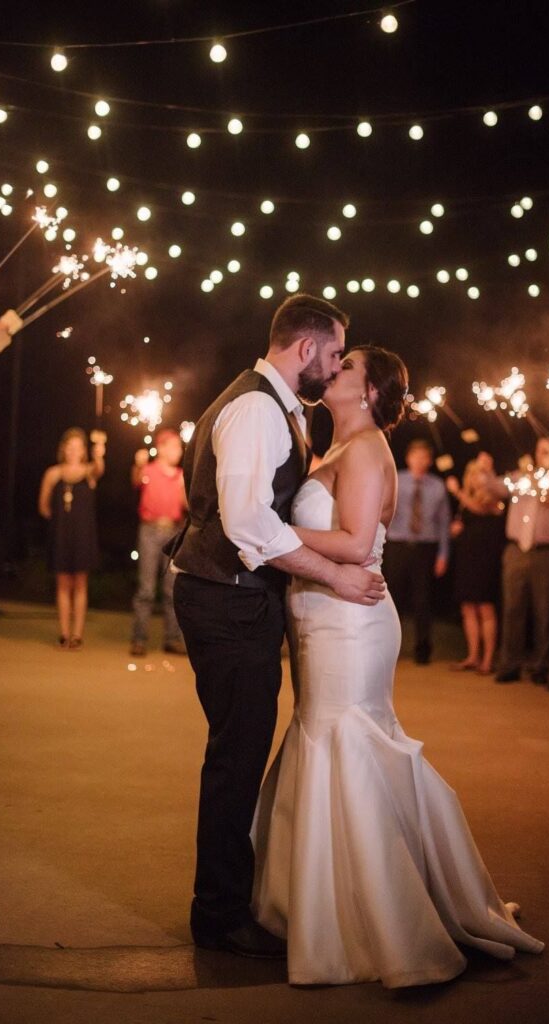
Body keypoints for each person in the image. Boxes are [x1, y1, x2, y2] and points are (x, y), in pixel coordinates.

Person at [252, 346, 544, 988]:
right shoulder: (333, 446)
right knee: (322, 737)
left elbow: (357, 545)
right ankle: (330, 901)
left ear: (368, 389)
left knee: (349, 744)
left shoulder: (365, 450)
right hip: (320, 616)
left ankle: (384, 918)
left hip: (351, 620)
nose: (333, 367)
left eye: (347, 364)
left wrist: (266, 535)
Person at [170, 294, 386, 960]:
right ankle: (219, 914)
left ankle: (232, 899)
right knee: (237, 756)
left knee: (240, 750)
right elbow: (246, 522)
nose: (336, 363)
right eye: (334, 351)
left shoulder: (276, 408)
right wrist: (334, 574)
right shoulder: (258, 409)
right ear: (305, 349)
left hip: (235, 599)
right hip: (228, 601)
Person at [492, 438, 549, 685]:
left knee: (544, 610)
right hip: (516, 550)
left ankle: (540, 664)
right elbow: (497, 488)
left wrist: (544, 482)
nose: (544, 454)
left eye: (548, 451)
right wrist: (486, 470)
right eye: (541, 450)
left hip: (544, 552)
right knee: (512, 608)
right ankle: (510, 663)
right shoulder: (519, 477)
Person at [383, 439, 451, 663]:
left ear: (429, 461)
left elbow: (444, 523)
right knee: (392, 597)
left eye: (424, 457)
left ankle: (423, 649)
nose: (420, 461)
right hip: (397, 544)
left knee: (423, 599)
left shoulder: (437, 486)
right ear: (408, 458)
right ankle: (387, 646)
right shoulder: (396, 480)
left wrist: (443, 554)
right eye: (416, 456)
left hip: (425, 547)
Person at [38, 428, 105, 649]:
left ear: (83, 450)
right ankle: (64, 633)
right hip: (61, 534)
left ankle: (77, 634)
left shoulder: (88, 472)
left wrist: (99, 451)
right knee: (63, 584)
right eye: (70, 446)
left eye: (77, 447)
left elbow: (99, 469)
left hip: (83, 534)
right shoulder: (53, 474)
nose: (73, 450)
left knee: (80, 583)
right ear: (63, 449)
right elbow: (44, 506)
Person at [129, 429, 188, 657]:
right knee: (145, 588)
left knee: (172, 589)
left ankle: (172, 639)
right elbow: (136, 481)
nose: (178, 451)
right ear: (161, 448)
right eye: (174, 446)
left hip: (173, 531)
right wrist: (138, 464)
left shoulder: (181, 475)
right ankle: (139, 639)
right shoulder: (148, 470)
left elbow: (186, 505)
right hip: (149, 531)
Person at [446, 452, 505, 674]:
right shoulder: (464, 502)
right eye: (471, 474)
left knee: (485, 608)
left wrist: (457, 492)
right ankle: (472, 655)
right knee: (468, 607)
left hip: (485, 557)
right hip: (467, 557)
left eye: (478, 474)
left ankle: (488, 659)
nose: (474, 479)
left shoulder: (492, 497)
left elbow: (480, 509)